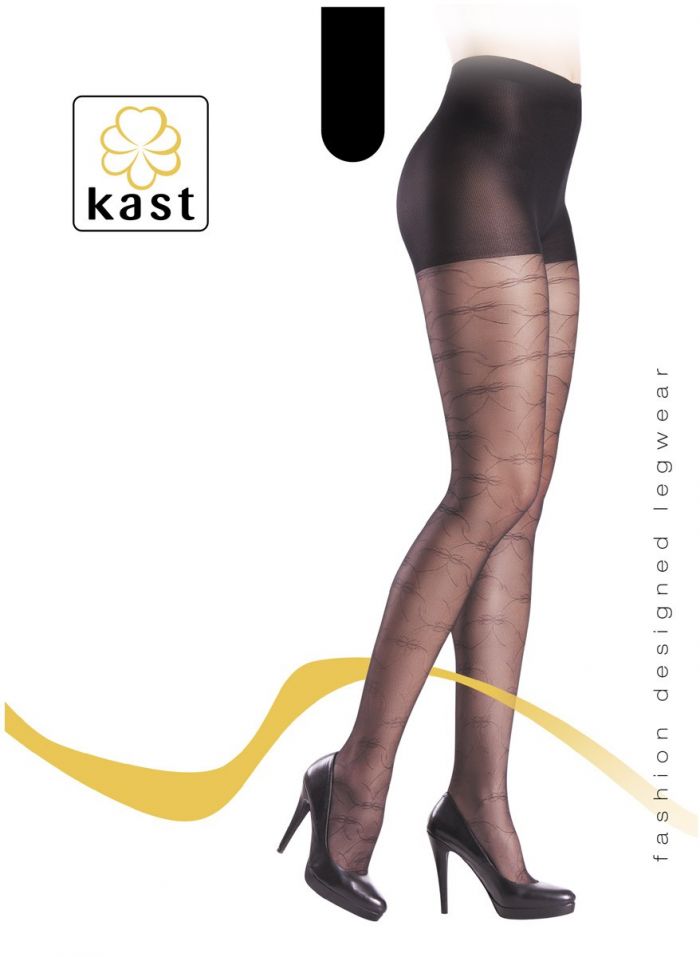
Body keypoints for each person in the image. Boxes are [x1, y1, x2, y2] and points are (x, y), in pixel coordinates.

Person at [278, 4, 582, 921]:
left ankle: (479, 805)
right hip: (475, 163)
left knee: (521, 502)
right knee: (490, 487)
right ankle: (355, 778)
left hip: (545, 177)